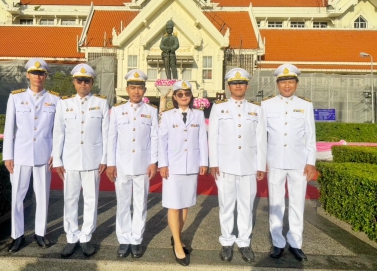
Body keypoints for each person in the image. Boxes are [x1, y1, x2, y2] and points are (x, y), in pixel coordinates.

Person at [208, 68, 266, 263]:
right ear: (228, 86)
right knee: (226, 205)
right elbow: (213, 136)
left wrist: (261, 165)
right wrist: (213, 162)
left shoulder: (256, 109)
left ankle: (243, 242)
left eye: (241, 83)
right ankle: (226, 241)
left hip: (249, 165)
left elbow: (261, 139)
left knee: (246, 206)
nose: (238, 86)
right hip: (225, 165)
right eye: (234, 83)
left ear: (247, 86)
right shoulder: (219, 107)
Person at [3, 58, 60, 253]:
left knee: (42, 196)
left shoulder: (55, 99)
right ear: (28, 75)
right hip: (20, 155)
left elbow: (58, 130)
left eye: (41, 73)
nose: (38, 77)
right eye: (34, 73)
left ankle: (40, 233)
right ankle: (17, 235)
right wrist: (7, 155)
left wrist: (56, 153)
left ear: (46, 76)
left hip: (45, 155)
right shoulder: (16, 97)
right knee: (17, 196)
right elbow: (9, 127)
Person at [52, 63, 109, 258]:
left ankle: (86, 236)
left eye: (87, 81)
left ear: (92, 82)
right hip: (70, 159)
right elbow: (58, 133)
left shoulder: (101, 103)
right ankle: (71, 237)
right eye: (79, 80)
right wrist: (57, 160)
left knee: (91, 199)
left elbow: (106, 133)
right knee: (70, 199)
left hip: (93, 159)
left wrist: (105, 158)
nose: (83, 84)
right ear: (74, 82)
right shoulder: (64, 103)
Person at [261, 63, 316, 261]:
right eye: (283, 82)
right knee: (276, 204)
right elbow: (261, 137)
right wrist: (261, 161)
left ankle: (295, 243)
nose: (287, 85)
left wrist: (311, 162)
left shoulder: (305, 105)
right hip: (274, 161)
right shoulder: (266, 106)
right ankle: (277, 243)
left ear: (296, 84)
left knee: (296, 204)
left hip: (298, 162)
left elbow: (310, 136)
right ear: (277, 84)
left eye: (290, 81)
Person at [106, 69, 158, 259]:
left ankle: (136, 240)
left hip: (143, 166)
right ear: (127, 89)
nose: (136, 91)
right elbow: (111, 138)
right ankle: (124, 240)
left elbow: (155, 137)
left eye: (140, 88)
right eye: (133, 87)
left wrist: (153, 162)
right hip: (122, 165)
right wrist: (111, 164)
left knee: (140, 204)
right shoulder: (118, 110)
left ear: (145, 90)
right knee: (122, 203)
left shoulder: (151, 111)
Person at [158, 80, 208, 266]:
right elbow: (162, 141)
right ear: (174, 97)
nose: (184, 97)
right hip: (173, 166)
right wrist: (163, 164)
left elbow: (203, 139)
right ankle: (178, 244)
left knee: (186, 204)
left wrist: (204, 162)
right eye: (180, 94)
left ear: (191, 96)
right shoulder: (168, 116)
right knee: (174, 205)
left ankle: (176, 236)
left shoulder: (199, 115)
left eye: (187, 94)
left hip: (192, 165)